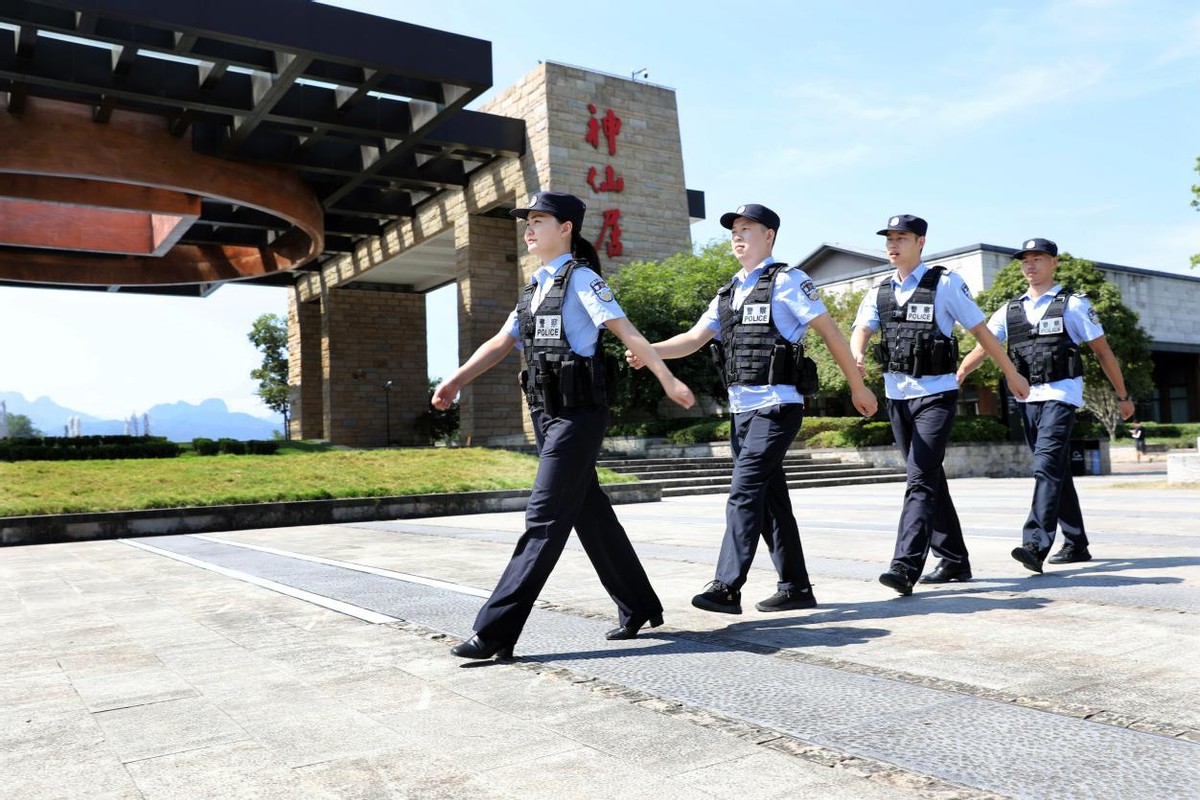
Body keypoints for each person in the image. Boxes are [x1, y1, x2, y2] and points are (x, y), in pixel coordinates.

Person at [432, 190, 695, 659]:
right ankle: (637, 605)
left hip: (579, 416)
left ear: (566, 228)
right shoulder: (534, 288)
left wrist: (667, 377)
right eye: (526, 222)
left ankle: (495, 632)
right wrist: (454, 380)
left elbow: (625, 330)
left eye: (538, 220)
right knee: (589, 512)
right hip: (547, 415)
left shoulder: (583, 280)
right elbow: (498, 343)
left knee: (544, 518)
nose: (528, 229)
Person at [627, 203, 877, 614]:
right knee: (770, 503)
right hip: (742, 411)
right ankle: (796, 586)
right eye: (734, 231)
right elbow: (692, 339)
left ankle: (727, 585)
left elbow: (830, 332)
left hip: (778, 406)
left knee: (744, 492)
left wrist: (857, 385)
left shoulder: (789, 281)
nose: (738, 237)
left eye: (747, 229)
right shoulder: (728, 293)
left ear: (770, 236)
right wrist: (649, 352)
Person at [850, 214, 1031, 596]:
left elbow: (981, 331)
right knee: (929, 477)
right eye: (889, 239)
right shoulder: (879, 290)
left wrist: (1012, 374)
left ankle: (904, 566)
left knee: (918, 478)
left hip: (936, 395)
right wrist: (857, 356)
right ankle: (954, 560)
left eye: (902, 238)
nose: (893, 245)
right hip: (897, 397)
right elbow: (861, 329)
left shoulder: (945, 285)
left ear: (921, 243)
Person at [957, 237, 1135, 571]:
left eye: (1038, 259)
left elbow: (1102, 351)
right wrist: (962, 371)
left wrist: (1122, 395)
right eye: (1025, 260)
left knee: (1045, 466)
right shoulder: (1010, 309)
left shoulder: (1074, 305)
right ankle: (1076, 543)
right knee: (1056, 471)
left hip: (1060, 395)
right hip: (1027, 399)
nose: (1030, 265)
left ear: (1053, 263)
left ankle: (1035, 544)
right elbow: (986, 345)